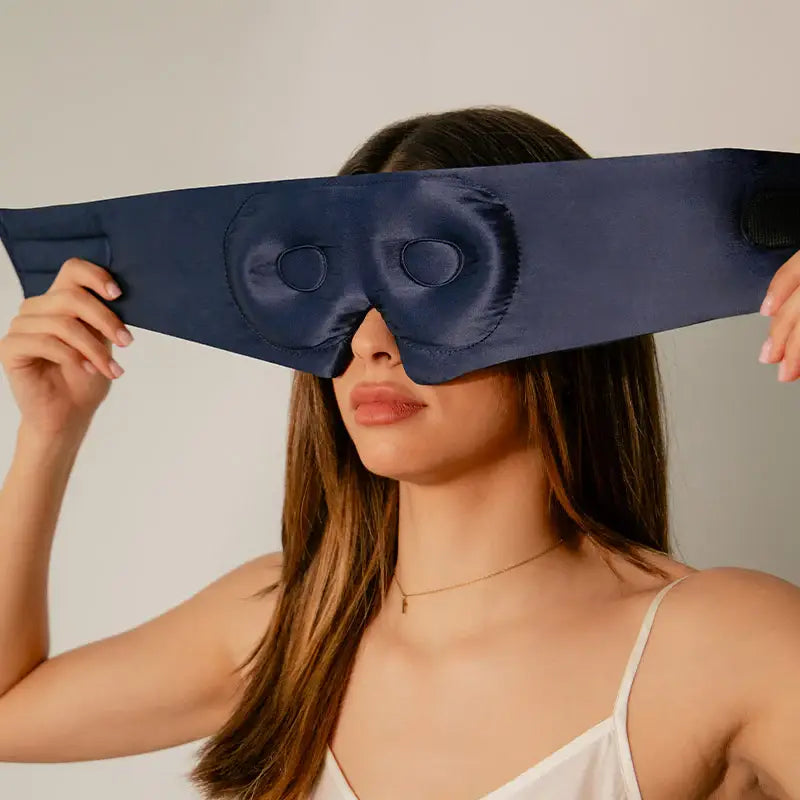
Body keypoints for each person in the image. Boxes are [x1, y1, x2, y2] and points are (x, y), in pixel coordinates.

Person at [0, 107, 798, 800]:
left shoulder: (724, 644)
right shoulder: (288, 626)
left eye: (436, 279)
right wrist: (47, 433)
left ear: (572, 318)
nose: (369, 342)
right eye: (331, 295)